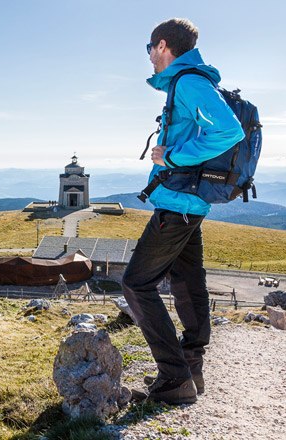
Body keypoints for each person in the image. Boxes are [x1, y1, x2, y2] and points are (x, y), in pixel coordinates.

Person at [122, 18, 245, 405]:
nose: (149, 58)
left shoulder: (190, 82)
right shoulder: (188, 81)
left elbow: (229, 131)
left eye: (149, 49)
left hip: (178, 204)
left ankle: (174, 377)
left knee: (136, 284)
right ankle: (191, 370)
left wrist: (172, 154)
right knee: (187, 283)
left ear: (162, 46)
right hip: (190, 204)